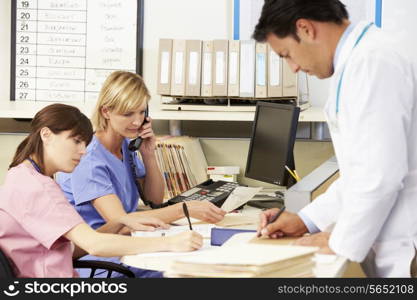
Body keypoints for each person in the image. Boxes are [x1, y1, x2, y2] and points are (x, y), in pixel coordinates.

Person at [253, 0, 417, 277]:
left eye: (287, 54)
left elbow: (379, 177)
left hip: (407, 246)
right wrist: (305, 220)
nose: (292, 68)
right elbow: (360, 173)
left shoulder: (373, 61)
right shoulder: (356, 63)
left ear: (305, 29)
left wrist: (337, 241)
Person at [0, 104, 203, 278]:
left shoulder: (21, 175)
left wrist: (118, 223)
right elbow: (95, 245)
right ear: (46, 135)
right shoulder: (39, 187)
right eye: (76, 141)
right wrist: (170, 243)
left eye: (85, 143)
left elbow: (70, 249)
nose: (83, 151)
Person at [56, 71, 225, 277]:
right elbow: (122, 220)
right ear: (106, 111)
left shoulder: (127, 145)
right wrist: (184, 209)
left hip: (127, 244)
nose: (137, 122)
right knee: (184, 272)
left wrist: (149, 154)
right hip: (101, 259)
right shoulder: (89, 159)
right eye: (128, 114)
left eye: (141, 112)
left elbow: (153, 199)